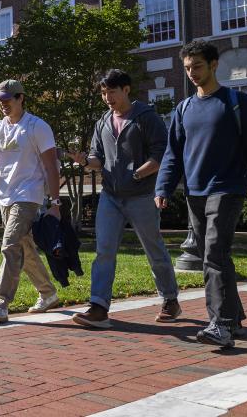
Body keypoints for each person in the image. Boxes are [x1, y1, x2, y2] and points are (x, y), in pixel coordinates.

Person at [155, 40, 247, 348]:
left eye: (197, 66)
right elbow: (173, 154)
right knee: (215, 253)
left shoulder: (236, 103)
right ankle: (234, 318)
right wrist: (163, 186)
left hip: (228, 189)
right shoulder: (184, 108)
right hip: (195, 191)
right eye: (187, 68)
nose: (192, 73)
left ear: (214, 64)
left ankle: (220, 324)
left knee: (213, 252)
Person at [69, 69, 179, 329]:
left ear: (126, 90)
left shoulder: (146, 117)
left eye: (112, 91)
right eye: (104, 92)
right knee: (104, 251)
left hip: (142, 196)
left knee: (154, 249)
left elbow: (161, 153)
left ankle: (170, 299)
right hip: (111, 197)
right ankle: (98, 307)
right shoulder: (103, 122)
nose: (107, 97)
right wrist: (85, 161)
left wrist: (138, 174)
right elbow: (98, 160)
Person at [0, 79, 63, 322]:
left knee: (10, 245)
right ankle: (48, 293)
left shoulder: (36, 127)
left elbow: (51, 166)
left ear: (21, 98)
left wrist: (55, 202)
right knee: (24, 248)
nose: (2, 104)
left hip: (29, 196)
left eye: (7, 99)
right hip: (5, 196)